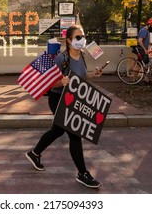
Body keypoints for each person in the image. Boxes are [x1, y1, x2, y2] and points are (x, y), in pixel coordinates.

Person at [25, 25, 103, 188]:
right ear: (69, 40)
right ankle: (83, 173)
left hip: (72, 99)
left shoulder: (81, 56)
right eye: (78, 37)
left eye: (83, 36)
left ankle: (34, 153)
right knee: (75, 134)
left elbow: (80, 78)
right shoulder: (62, 58)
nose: (82, 40)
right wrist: (60, 81)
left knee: (58, 130)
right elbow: (46, 81)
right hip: (58, 98)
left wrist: (92, 75)